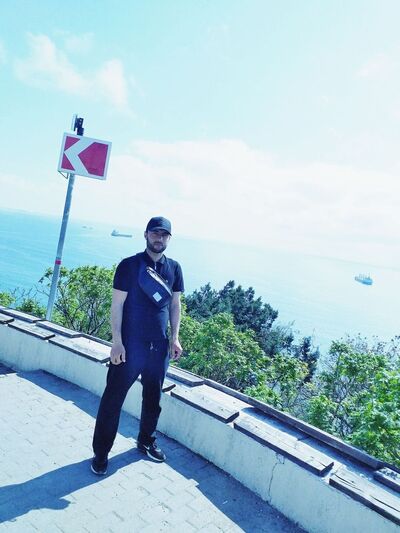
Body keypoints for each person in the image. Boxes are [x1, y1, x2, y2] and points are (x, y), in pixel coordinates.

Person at [91, 216, 184, 475]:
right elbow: (117, 305)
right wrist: (117, 343)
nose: (159, 238)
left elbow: (175, 305)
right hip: (129, 348)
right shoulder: (129, 265)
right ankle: (101, 453)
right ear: (146, 234)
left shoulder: (174, 268)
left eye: (164, 234)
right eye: (155, 233)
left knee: (153, 399)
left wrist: (174, 338)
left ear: (169, 238)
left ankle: (146, 441)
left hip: (159, 347)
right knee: (113, 400)